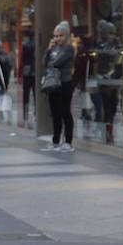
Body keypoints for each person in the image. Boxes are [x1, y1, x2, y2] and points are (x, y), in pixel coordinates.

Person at [42, 20, 77, 152]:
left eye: (60, 35)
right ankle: (55, 141)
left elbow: (56, 62)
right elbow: (44, 63)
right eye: (56, 36)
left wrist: (51, 61)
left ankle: (68, 142)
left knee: (65, 112)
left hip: (65, 83)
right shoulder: (54, 48)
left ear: (66, 36)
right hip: (53, 85)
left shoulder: (68, 48)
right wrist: (48, 49)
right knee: (55, 114)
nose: (58, 38)